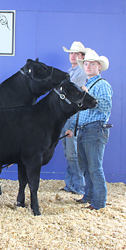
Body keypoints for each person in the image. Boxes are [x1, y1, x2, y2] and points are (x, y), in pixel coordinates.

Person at [65, 49, 112, 210]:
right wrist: (72, 127)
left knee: (94, 167)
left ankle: (99, 203)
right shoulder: (87, 85)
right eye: (86, 63)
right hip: (83, 129)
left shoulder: (102, 85)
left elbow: (106, 107)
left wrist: (89, 97)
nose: (88, 66)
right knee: (85, 166)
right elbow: (80, 112)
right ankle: (88, 196)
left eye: (92, 64)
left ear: (99, 67)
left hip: (95, 129)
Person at [60, 41, 89, 195]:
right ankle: (70, 183)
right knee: (68, 151)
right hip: (67, 115)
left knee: (73, 152)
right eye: (71, 53)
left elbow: (72, 93)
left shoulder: (82, 73)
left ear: (82, 57)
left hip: (75, 116)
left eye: (76, 54)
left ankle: (78, 186)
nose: (73, 56)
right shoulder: (70, 72)